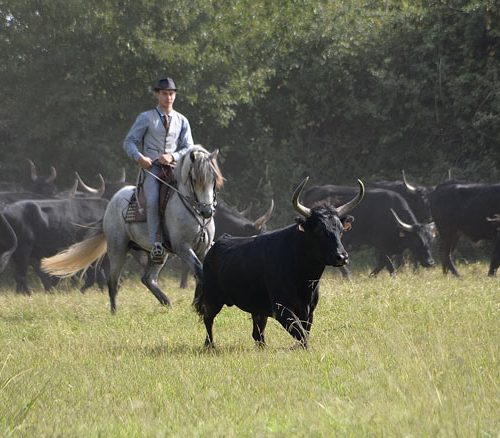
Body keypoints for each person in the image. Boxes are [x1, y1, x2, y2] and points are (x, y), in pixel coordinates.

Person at [123, 77, 194, 262]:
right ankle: (156, 244)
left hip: (174, 169)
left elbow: (189, 146)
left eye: (171, 94)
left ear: (175, 95)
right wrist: (139, 158)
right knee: (153, 200)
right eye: (164, 94)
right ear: (157, 95)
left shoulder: (182, 120)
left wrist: (174, 156)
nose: (168, 97)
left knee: (194, 193)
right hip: (152, 170)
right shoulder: (146, 118)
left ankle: (198, 236)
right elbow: (129, 141)